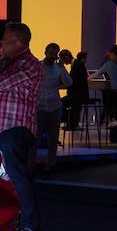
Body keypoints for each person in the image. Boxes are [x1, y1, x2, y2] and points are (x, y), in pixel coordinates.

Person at [0, 22, 44, 231]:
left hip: (15, 127)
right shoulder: (4, 62)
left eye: (5, 39)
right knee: (6, 177)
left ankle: (30, 223)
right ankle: (14, 221)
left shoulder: (30, 64)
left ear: (16, 41)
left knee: (16, 175)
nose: (2, 43)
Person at [37, 43, 72, 174]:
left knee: (53, 137)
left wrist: (63, 69)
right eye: (51, 53)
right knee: (36, 138)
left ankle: (50, 164)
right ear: (45, 52)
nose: (52, 56)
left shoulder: (58, 68)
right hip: (39, 106)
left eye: (55, 54)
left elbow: (69, 83)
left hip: (54, 106)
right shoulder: (38, 66)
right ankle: (31, 165)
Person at [63, 51, 89, 129]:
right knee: (66, 103)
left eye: (63, 59)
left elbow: (73, 81)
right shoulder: (77, 64)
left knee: (60, 103)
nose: (63, 62)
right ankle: (71, 123)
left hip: (78, 94)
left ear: (67, 57)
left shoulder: (77, 65)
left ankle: (70, 123)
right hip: (78, 93)